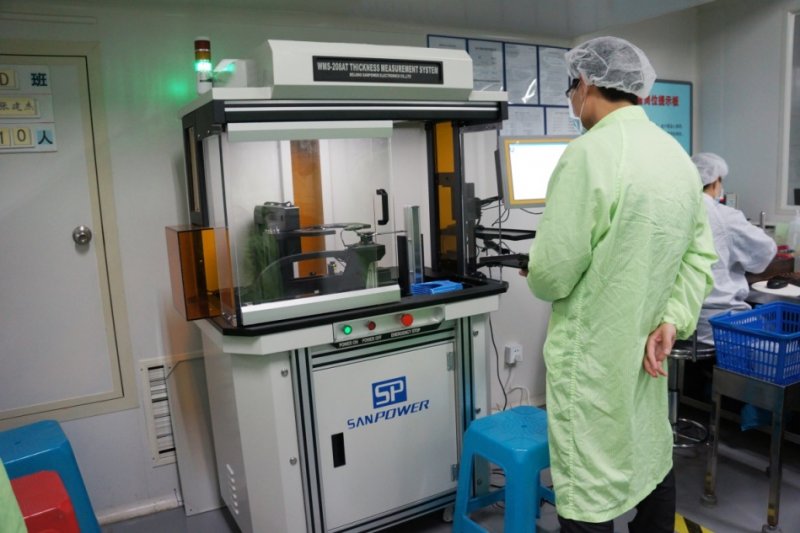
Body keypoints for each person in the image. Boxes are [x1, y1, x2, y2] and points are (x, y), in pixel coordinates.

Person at [521, 36, 717, 532]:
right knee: (648, 459)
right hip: (648, 354)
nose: (572, 103)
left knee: (590, 487)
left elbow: (550, 277)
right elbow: (699, 255)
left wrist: (536, 267)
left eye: (571, 90)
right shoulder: (676, 157)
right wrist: (673, 319)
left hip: (593, 363)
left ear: (585, 83)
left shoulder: (588, 154)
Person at [692, 152, 777, 345]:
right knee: (775, 337)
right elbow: (765, 252)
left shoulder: (675, 211)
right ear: (716, 181)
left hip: (678, 324)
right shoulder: (724, 216)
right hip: (719, 324)